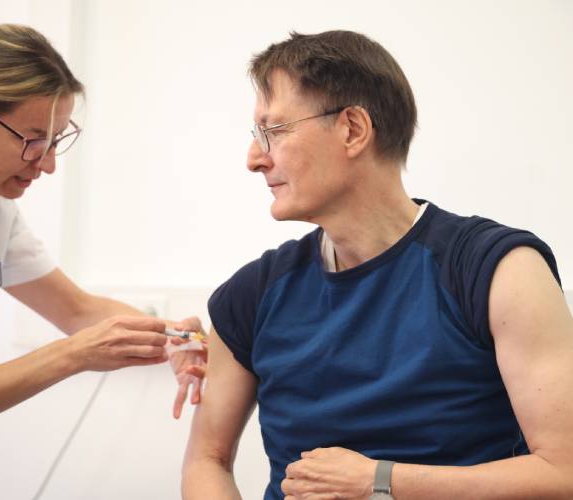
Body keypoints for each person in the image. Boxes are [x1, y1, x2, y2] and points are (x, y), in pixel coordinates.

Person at [182, 30, 573, 499]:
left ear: (352, 129)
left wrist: (381, 481)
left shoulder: (498, 271)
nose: (253, 158)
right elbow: (207, 459)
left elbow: (563, 471)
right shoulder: (251, 295)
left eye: (274, 130)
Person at [0, 23, 205, 424]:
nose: (47, 165)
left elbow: (78, 310)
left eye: (55, 142)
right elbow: (80, 333)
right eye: (33, 141)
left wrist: (177, 337)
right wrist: (74, 354)